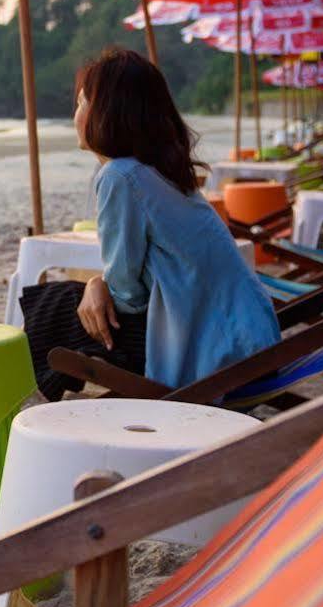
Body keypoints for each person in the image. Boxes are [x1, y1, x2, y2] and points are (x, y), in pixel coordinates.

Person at [21, 47, 280, 398]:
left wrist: (97, 285)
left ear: (107, 113)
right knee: (70, 306)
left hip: (215, 356)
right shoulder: (161, 170)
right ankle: (45, 406)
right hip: (252, 342)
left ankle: (31, 413)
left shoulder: (120, 176)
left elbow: (127, 297)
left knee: (54, 308)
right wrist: (98, 285)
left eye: (82, 103)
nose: (74, 115)